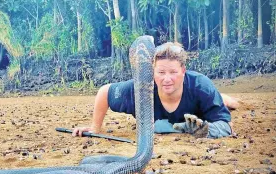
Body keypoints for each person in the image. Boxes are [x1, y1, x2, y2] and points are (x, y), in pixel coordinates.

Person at [72, 42, 239, 139]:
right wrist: (95, 128)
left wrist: (207, 130)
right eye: (160, 72)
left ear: (183, 71)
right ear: (152, 72)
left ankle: (222, 98)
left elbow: (227, 126)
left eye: (173, 72)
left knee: (232, 103)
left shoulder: (201, 86)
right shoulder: (140, 89)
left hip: (200, 106)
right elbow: (104, 92)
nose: (167, 79)